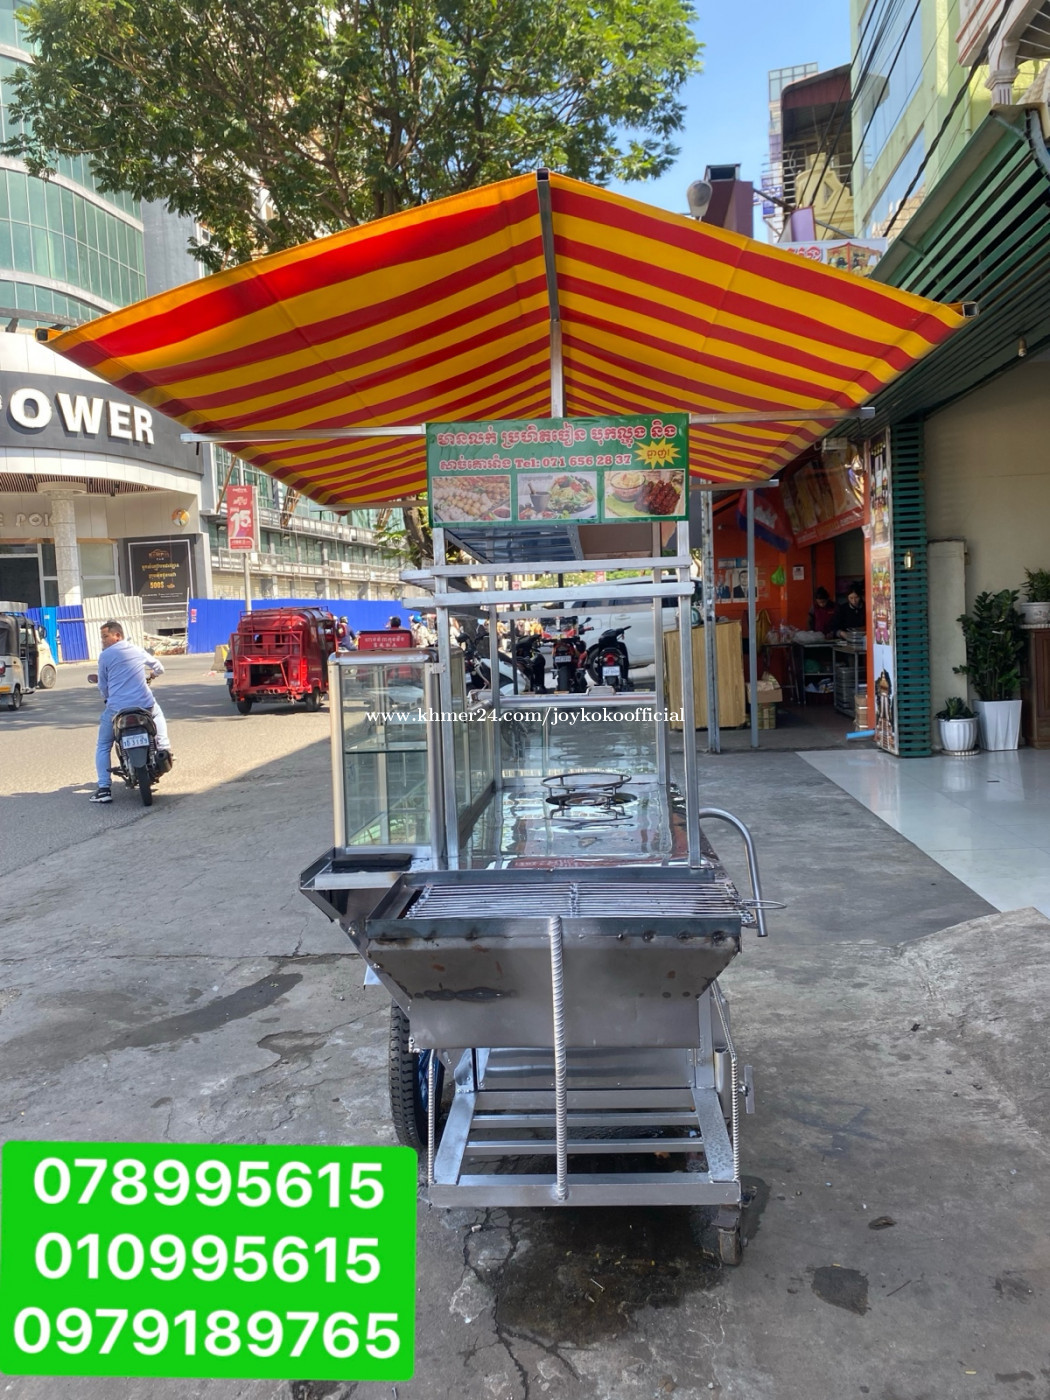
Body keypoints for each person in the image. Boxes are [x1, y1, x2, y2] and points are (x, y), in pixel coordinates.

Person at [90, 621, 172, 804]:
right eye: (102, 637)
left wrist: (107, 698)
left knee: (103, 745)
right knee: (157, 714)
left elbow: (102, 685)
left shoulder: (105, 656)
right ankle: (164, 749)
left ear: (117, 635)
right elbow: (159, 667)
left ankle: (104, 789)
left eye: (105, 636)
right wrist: (152, 675)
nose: (103, 640)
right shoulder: (137, 650)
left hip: (117, 708)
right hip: (144, 705)